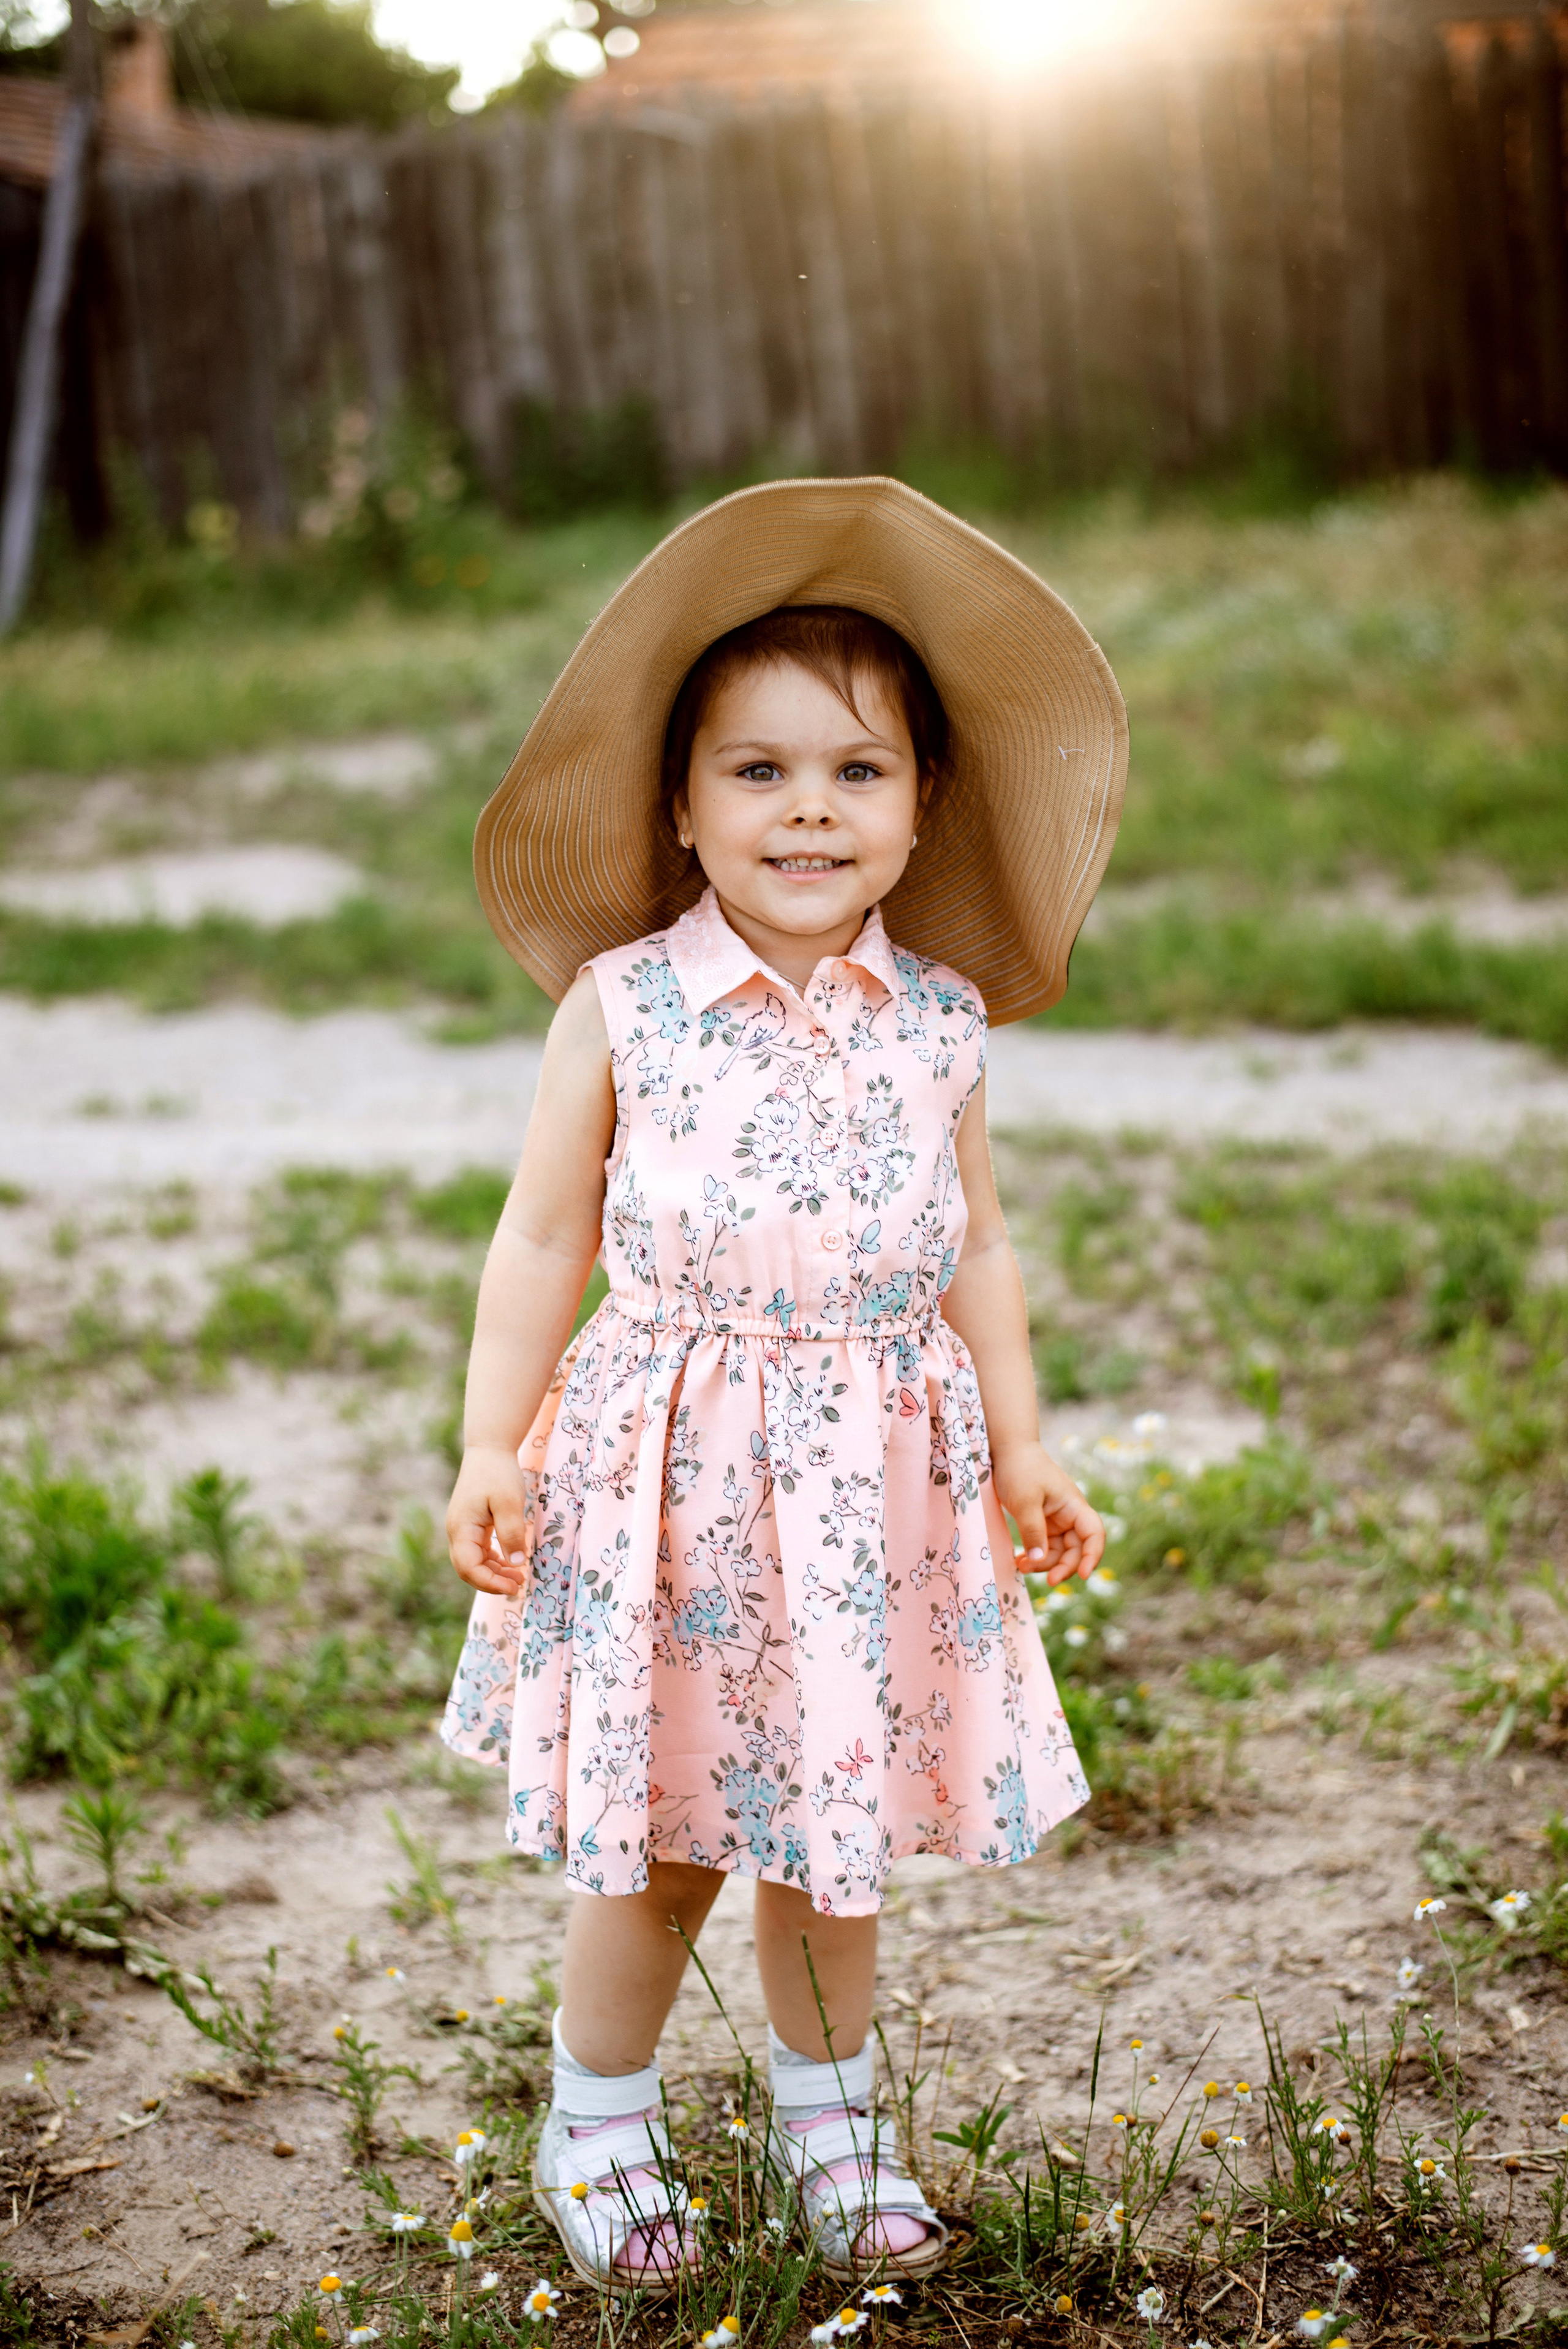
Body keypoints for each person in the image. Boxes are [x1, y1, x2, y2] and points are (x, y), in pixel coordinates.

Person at [440, 477, 1128, 2296]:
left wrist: (1024, 1444)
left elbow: (979, 1242)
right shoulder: (626, 1005)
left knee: (835, 1843)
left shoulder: (943, 1023)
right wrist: (491, 1442)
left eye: (856, 770)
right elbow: (540, 1235)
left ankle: (832, 2122)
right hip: (668, 1478)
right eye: (757, 770)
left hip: (871, 1489)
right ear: (680, 805)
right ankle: (598, 2120)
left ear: (923, 804)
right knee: (664, 1839)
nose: (809, 807)